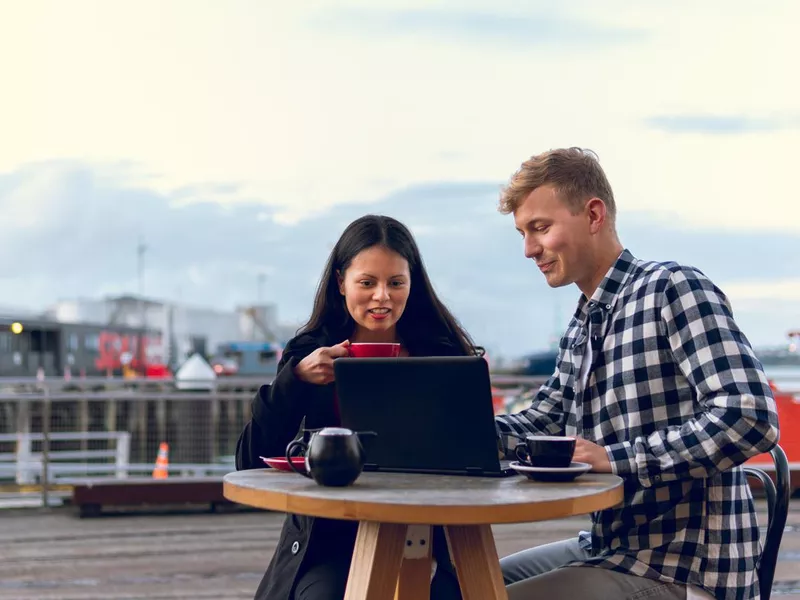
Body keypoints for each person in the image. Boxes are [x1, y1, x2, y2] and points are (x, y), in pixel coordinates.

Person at [493, 147, 779, 600]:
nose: (529, 249)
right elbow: (545, 421)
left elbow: (749, 416)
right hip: (611, 548)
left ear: (592, 214)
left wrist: (614, 458)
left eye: (540, 228)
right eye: (523, 233)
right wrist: (458, 432)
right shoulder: (585, 320)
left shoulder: (673, 287)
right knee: (461, 583)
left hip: (684, 569)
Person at [236, 214, 480, 600]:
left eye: (396, 283)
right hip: (331, 539)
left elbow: (473, 450)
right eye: (367, 282)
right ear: (341, 283)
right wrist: (295, 379)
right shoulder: (310, 353)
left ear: (412, 285)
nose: (382, 297)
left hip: (431, 532)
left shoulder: (442, 353)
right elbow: (249, 460)